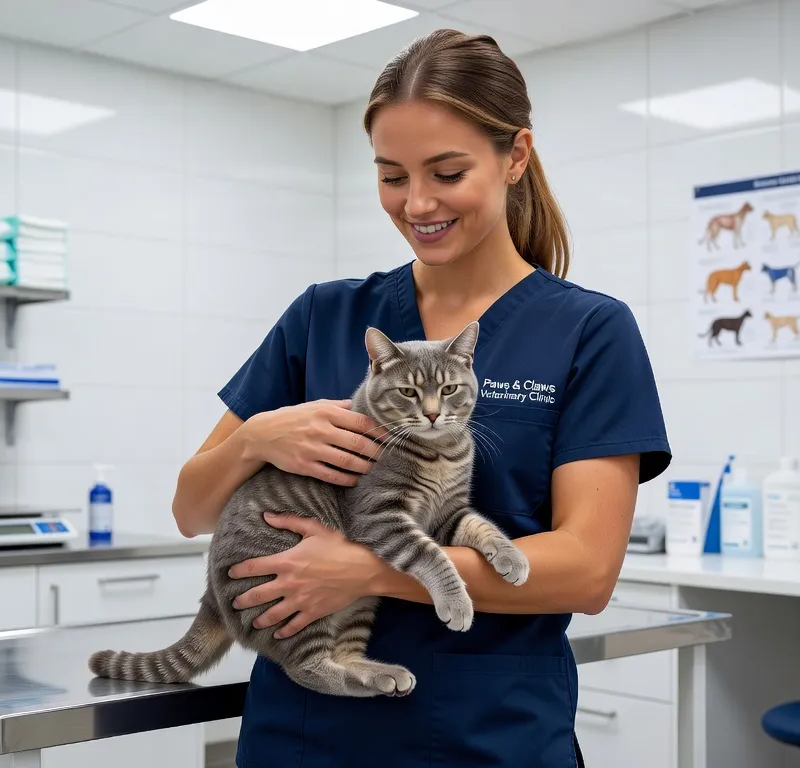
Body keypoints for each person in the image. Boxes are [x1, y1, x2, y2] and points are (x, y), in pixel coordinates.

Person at [171, 28, 671, 768]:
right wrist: (254, 441)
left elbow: (587, 570)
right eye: (391, 175)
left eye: (446, 171)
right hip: (305, 733)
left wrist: (370, 569)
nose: (417, 203)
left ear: (516, 157)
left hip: (486, 735)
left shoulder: (587, 330)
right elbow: (191, 510)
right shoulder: (327, 315)